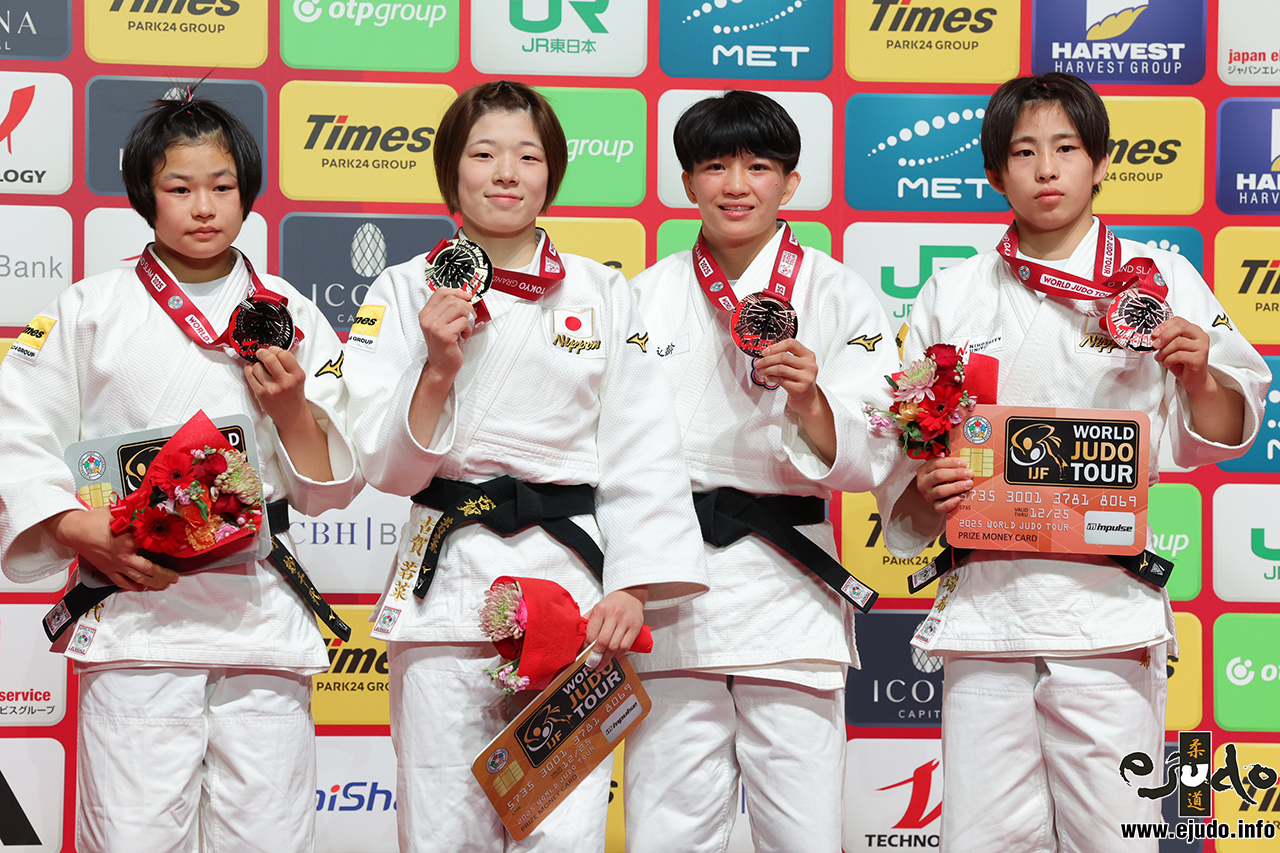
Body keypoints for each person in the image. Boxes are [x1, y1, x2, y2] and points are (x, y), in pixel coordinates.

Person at [878, 73, 1271, 852]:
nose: (1047, 170)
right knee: (981, 840)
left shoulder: (1159, 279)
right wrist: (927, 484)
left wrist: (1199, 373)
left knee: (1115, 839)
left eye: (1066, 149)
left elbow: (1230, 426)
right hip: (988, 613)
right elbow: (910, 462)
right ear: (995, 173)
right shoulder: (951, 294)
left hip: (1107, 609)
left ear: (1099, 162)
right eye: (1024, 152)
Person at [342, 80, 708, 852]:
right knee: (440, 831)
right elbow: (383, 463)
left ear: (552, 174)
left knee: (564, 831)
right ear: (452, 172)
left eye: (528, 155)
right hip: (447, 592)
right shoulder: (403, 288)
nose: (506, 172)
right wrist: (437, 368)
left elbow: (643, 448)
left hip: (571, 605)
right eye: (484, 153)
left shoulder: (603, 290)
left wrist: (632, 585)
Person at [0, 89, 362, 850]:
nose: (204, 207)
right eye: (180, 187)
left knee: (267, 837)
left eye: (222, 187)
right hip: (136, 615)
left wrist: (294, 408)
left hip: (258, 618)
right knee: (130, 835)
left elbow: (335, 483)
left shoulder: (286, 309)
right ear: (144, 195)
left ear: (248, 191)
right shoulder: (87, 310)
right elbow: (17, 437)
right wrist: (79, 527)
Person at [622, 90, 901, 852]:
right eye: (714, 165)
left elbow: (878, 445)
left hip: (789, 593)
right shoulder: (644, 296)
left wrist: (811, 397)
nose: (735, 184)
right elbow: (614, 454)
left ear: (791, 181)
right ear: (687, 184)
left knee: (804, 831)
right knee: (665, 830)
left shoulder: (839, 293)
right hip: (675, 591)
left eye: (758, 165)